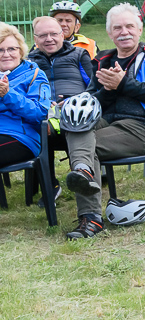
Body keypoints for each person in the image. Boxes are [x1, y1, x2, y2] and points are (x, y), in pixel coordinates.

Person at [64, 3, 145, 240]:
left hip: (139, 128)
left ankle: (91, 218)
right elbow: (93, 101)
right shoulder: (103, 59)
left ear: (140, 28)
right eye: (117, 28)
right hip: (105, 122)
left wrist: (124, 84)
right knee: (77, 123)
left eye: (129, 26)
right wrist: (107, 89)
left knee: (84, 149)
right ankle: (84, 173)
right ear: (109, 33)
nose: (124, 32)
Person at [27, 16, 94, 201]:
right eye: (43, 35)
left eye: (53, 34)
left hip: (74, 111)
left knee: (76, 120)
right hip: (43, 113)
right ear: (35, 39)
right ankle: (50, 185)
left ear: (62, 35)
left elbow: (94, 86)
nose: (49, 39)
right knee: (39, 127)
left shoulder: (79, 55)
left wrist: (77, 100)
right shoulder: (28, 62)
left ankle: (83, 174)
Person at [0, 23, 50, 168]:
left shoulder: (34, 75)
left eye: (11, 49)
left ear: (20, 51)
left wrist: (8, 95)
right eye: (0, 50)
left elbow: (39, 113)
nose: (6, 54)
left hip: (19, 136)